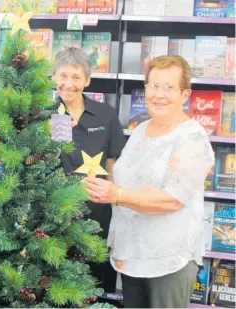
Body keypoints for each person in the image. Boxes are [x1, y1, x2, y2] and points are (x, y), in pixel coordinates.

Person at [84, 55, 215, 308]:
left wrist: (118, 195)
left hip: (167, 260)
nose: (159, 94)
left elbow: (173, 200)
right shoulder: (141, 130)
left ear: (185, 94)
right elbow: (125, 176)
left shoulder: (192, 137)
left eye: (168, 87)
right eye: (153, 85)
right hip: (132, 257)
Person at [52, 47, 127, 293]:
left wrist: (118, 207)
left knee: (94, 288)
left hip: (98, 217)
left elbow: (114, 162)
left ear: (87, 80)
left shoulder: (105, 114)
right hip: (55, 219)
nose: (69, 84)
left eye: (76, 77)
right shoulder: (44, 116)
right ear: (53, 77)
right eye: (63, 76)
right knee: (56, 288)